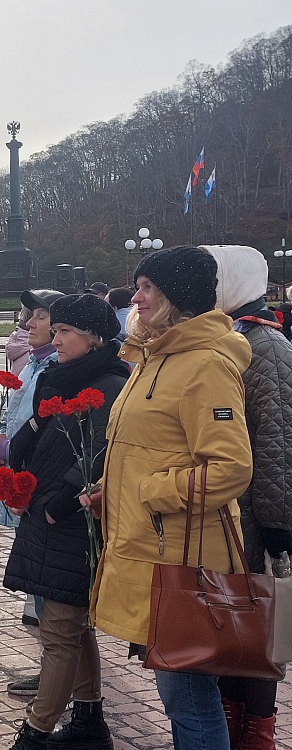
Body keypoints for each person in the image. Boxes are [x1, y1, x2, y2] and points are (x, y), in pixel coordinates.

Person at [87, 246, 254, 750]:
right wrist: (108, 492)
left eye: (146, 288)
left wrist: (152, 491)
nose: (135, 298)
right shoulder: (153, 356)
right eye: (136, 287)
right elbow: (149, 446)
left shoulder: (205, 365)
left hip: (183, 557)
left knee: (187, 692)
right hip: (152, 547)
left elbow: (230, 467)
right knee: (177, 687)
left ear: (176, 297)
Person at [1, 294, 129, 750]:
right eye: (54, 331)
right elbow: (36, 440)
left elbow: (97, 453)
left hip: (71, 519)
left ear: (93, 337)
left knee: (58, 631)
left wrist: (60, 503)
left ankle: (35, 732)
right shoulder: (59, 378)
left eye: (64, 332)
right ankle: (89, 721)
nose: (55, 340)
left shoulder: (109, 383)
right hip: (49, 514)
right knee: (73, 625)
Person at [203, 244, 292, 750]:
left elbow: (277, 440)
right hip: (227, 512)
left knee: (256, 629)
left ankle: (256, 731)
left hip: (254, 517)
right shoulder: (228, 339)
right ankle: (232, 719)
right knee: (228, 624)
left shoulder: (266, 346)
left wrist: (278, 522)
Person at [0, 289, 62, 653]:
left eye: (40, 316)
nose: (28, 323)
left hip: (43, 486)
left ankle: (60, 673)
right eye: (28, 315)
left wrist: (10, 451)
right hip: (24, 476)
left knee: (54, 589)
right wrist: (5, 454)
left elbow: (48, 433)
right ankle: (52, 665)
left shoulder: (56, 368)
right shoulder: (35, 362)